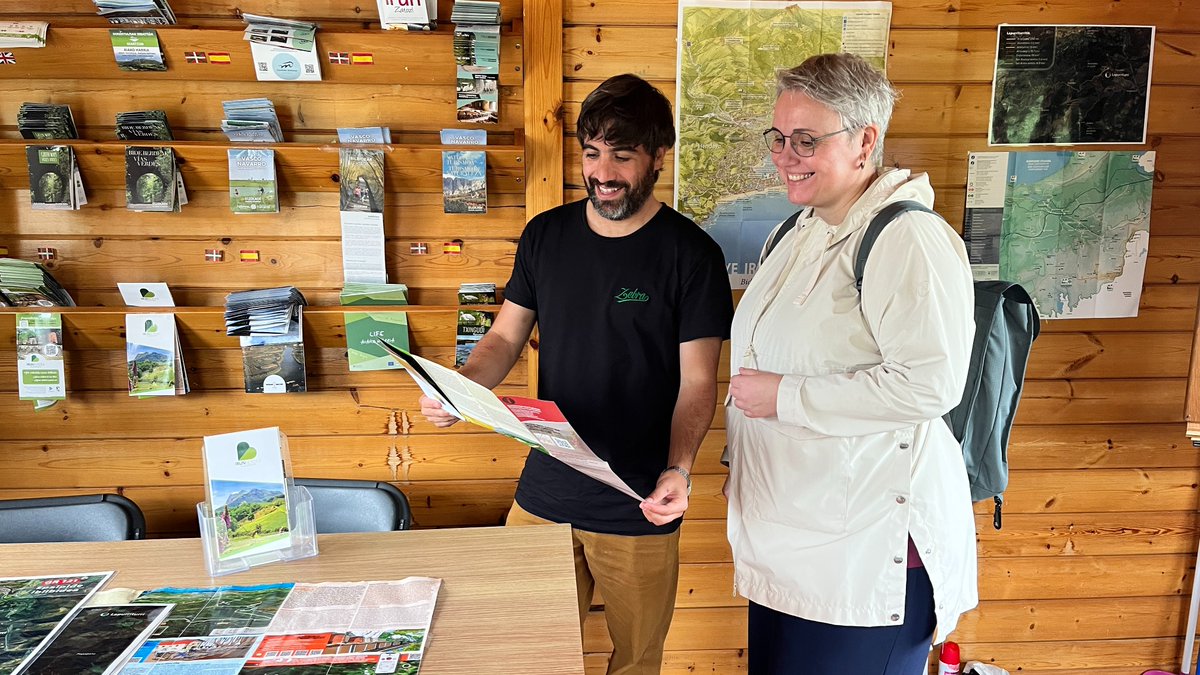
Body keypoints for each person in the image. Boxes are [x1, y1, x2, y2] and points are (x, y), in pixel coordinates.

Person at [419, 73, 733, 675]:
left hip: (640, 501)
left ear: (658, 156)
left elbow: (698, 382)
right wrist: (459, 389)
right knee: (518, 645)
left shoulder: (691, 255)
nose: (603, 171)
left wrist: (680, 470)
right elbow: (506, 337)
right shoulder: (546, 237)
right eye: (591, 153)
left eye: (622, 154)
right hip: (547, 487)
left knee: (636, 662)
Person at [723, 53, 978, 674]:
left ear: (866, 140)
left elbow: (929, 384)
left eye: (806, 140)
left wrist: (784, 398)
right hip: (788, 542)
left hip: (863, 558)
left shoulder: (906, 238)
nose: (785, 156)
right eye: (779, 139)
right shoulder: (796, 231)